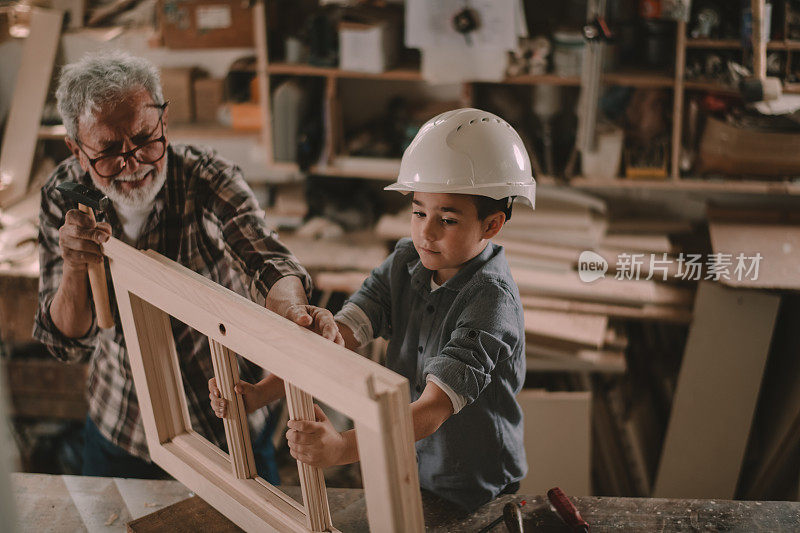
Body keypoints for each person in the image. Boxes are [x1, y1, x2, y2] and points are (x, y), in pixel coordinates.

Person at [34, 51, 342, 482]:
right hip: (125, 420)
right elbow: (67, 340)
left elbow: (264, 258)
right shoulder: (61, 197)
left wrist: (294, 312)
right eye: (107, 151)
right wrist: (74, 266)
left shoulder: (206, 176)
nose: (133, 164)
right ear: (76, 149)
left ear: (163, 121)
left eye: (145, 138)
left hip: (227, 410)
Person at [210, 108, 535, 512]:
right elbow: (339, 336)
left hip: (475, 486)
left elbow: (433, 409)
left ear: (492, 225)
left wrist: (339, 449)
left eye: (447, 220)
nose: (426, 233)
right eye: (419, 212)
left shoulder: (490, 300)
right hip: (407, 466)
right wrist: (261, 394)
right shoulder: (404, 262)